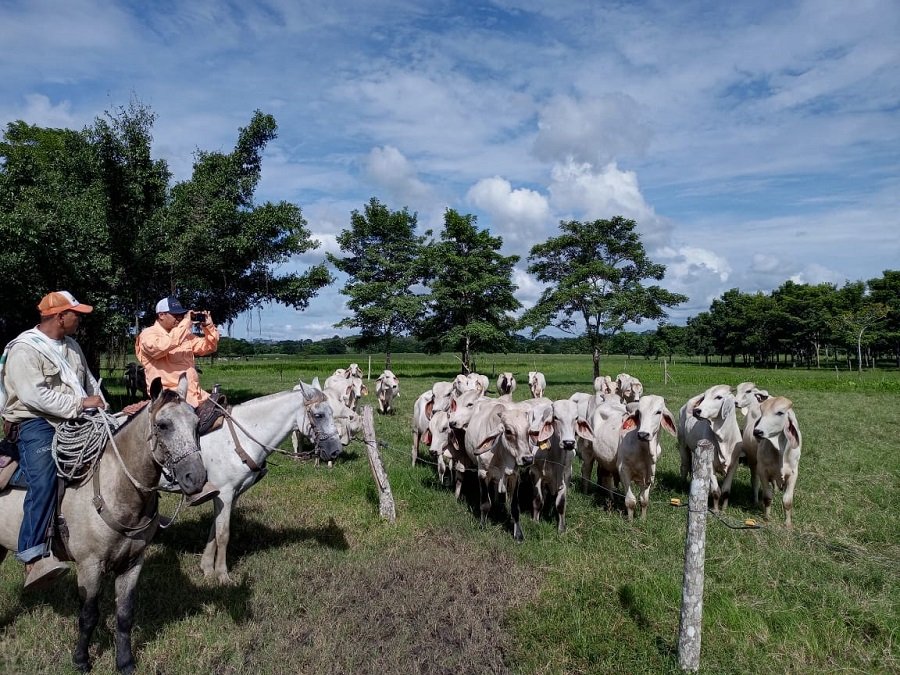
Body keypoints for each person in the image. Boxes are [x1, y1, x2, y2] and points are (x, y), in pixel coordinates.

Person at [0, 291, 105, 590]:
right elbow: (35, 395)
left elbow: (89, 383)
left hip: (75, 416)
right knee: (45, 473)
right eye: (77, 314)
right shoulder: (24, 349)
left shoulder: (72, 346)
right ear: (60, 316)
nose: (80, 319)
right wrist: (82, 404)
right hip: (35, 422)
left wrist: (102, 407)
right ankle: (33, 554)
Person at [135, 296, 220, 504]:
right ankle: (188, 481)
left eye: (181, 315)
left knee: (224, 415)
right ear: (161, 315)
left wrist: (208, 326)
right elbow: (162, 347)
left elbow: (209, 347)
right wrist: (186, 325)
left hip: (196, 395)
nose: (179, 318)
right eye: (176, 315)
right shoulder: (148, 336)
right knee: (185, 435)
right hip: (169, 400)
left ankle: (225, 468)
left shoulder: (185, 334)